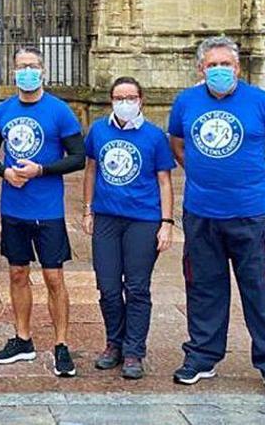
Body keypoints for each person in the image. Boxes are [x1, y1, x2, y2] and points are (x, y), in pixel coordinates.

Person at [168, 36, 265, 400]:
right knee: (204, 288)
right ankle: (203, 356)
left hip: (251, 217)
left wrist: (257, 185)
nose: (220, 70)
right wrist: (201, 174)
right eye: (212, 65)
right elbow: (177, 143)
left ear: (238, 68)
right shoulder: (186, 101)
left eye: (226, 64)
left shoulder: (261, 102)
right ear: (200, 69)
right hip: (202, 214)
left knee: (264, 290)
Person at [0, 47, 85, 377]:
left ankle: (61, 345)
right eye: (21, 66)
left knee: (54, 277)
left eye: (33, 66)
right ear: (13, 71)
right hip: (13, 207)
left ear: (43, 70)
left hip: (48, 209)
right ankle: (23, 339)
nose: (27, 71)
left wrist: (42, 170)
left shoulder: (59, 111)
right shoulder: (2, 111)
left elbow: (78, 157)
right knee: (17, 273)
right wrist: (4, 172)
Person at [82, 76, 175, 380]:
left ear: (141, 100)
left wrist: (166, 223)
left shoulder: (154, 136)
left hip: (143, 220)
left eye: (130, 97)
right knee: (108, 287)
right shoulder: (98, 130)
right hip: (107, 218)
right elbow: (91, 170)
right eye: (119, 98)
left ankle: (134, 350)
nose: (125, 103)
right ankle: (114, 343)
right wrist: (88, 209)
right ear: (111, 101)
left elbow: (164, 181)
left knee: (136, 288)